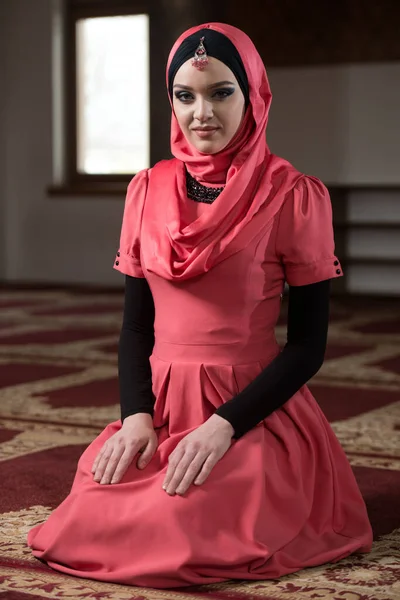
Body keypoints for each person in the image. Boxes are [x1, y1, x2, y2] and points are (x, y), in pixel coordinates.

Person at [27, 22, 373, 589]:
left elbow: (309, 346)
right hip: (161, 406)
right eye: (185, 96)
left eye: (220, 93)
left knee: (190, 528)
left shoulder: (293, 196)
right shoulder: (146, 190)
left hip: (249, 409)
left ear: (254, 95)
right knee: (86, 519)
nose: (201, 113)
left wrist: (224, 426)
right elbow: (136, 326)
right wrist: (137, 416)